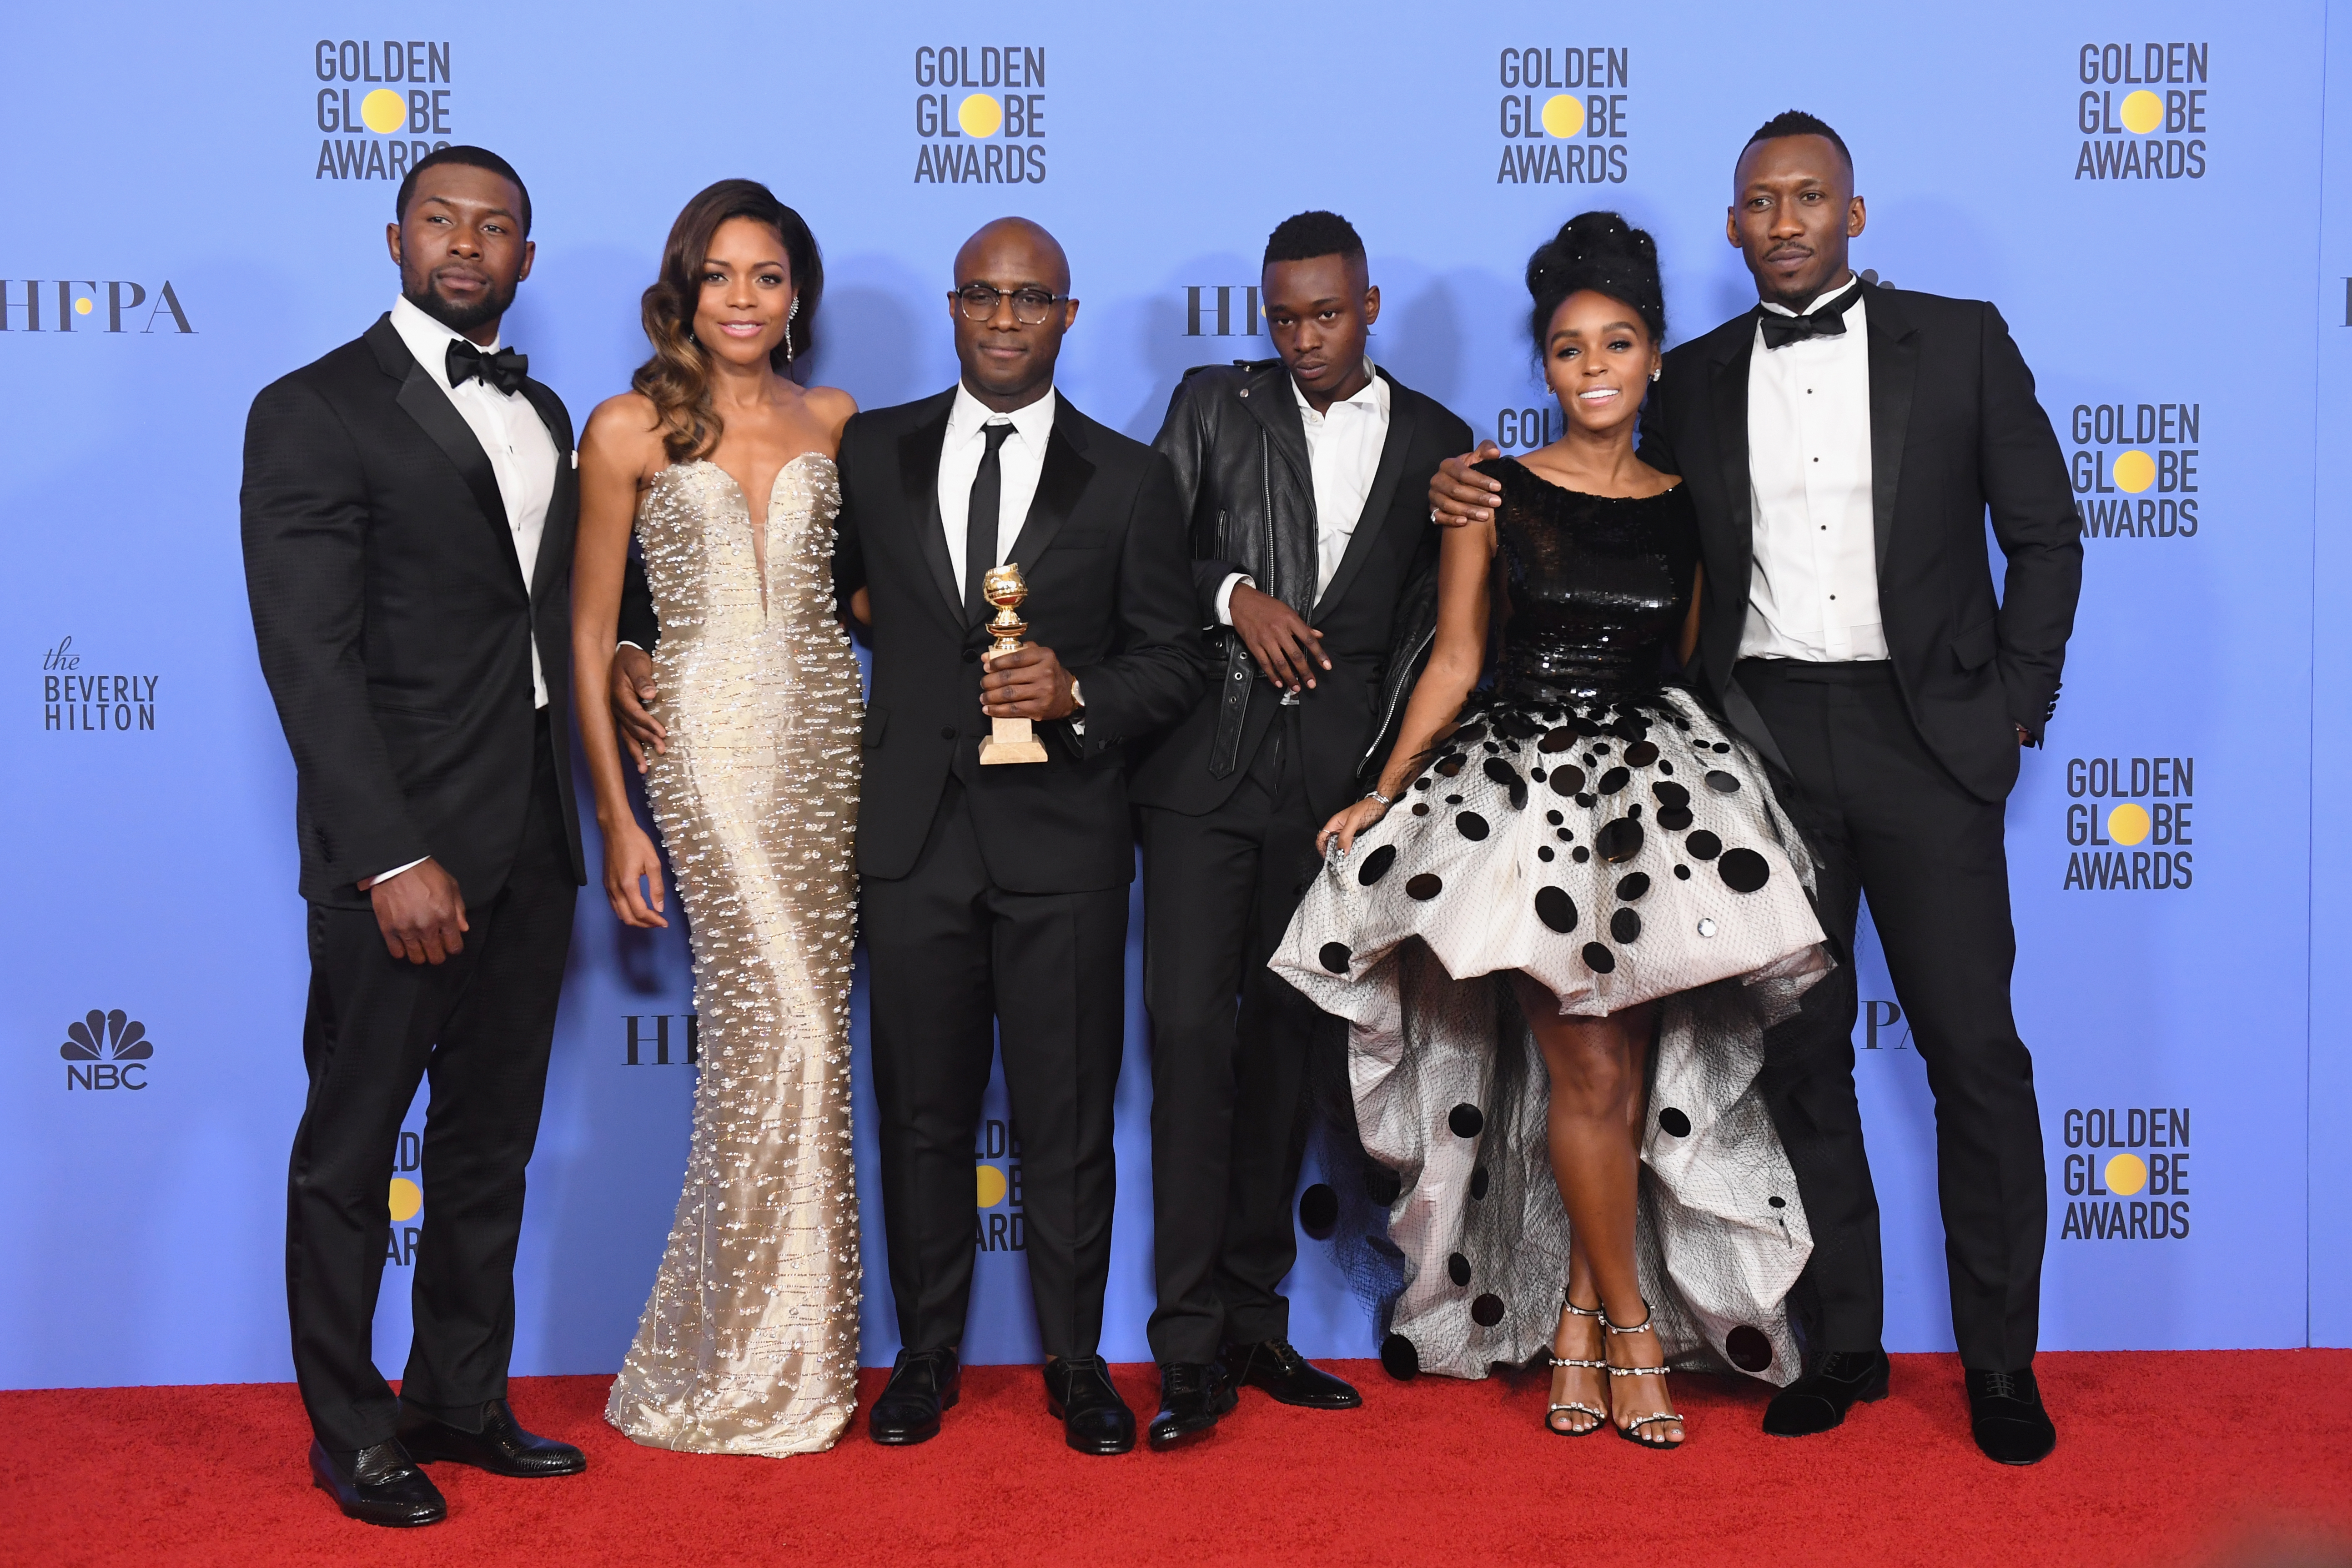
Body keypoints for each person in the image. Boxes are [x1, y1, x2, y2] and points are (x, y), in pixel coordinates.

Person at [1429, 114, 2081, 1465]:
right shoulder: (1697, 371)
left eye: (1807, 198)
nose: (1783, 221)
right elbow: (1596, 480)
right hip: (1761, 750)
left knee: (1973, 1053)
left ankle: (2001, 1366)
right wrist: (1455, 482)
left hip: (1931, 744)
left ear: (1853, 210)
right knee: (1803, 1059)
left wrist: (2015, 704)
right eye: (1758, 203)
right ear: (1731, 228)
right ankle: (1845, 1347)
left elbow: (2044, 534)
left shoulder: (1959, 341)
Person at [617, 217, 1201, 1457]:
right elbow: (729, 563)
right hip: (904, 838)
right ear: (951, 307)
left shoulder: (1132, 476)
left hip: (1065, 843)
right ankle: (924, 1360)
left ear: (1067, 316)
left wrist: (1078, 690)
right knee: (918, 1114)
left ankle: (1075, 1364)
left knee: (1066, 1123)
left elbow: (1172, 660)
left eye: (1029, 299)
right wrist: (626, 639)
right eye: (982, 296)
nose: (1003, 319)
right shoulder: (869, 447)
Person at [1277, 212, 1831, 1450]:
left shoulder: (1688, 507)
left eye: (1617, 343)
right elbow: (1459, 658)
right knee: (1583, 1067)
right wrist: (1385, 786)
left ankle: (1580, 1319)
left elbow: (1682, 659)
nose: (1592, 366)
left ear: (1650, 362)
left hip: (1645, 803)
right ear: (1545, 367)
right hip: (1518, 804)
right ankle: (1634, 1327)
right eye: (1569, 347)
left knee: (1622, 1073)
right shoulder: (1489, 489)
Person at [240, 145, 588, 1528]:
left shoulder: (547, 410)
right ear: (395, 240)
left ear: (525, 258)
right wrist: (389, 855)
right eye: (441, 221)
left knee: (489, 1150)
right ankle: (351, 1432)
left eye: (494, 227)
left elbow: (542, 625)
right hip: (399, 862)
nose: (467, 244)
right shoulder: (313, 409)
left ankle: (458, 1397)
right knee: (350, 1154)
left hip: (533, 848)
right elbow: (308, 660)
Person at [1127, 211, 1471, 1449]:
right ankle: (1184, 1349)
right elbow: (1143, 550)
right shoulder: (1212, 407)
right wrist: (1234, 597)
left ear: (1368, 307)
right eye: (1283, 317)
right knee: (1185, 1045)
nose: (1304, 338)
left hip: (1333, 802)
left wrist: (1389, 780)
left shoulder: (1434, 442)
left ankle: (1254, 1323)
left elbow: (1443, 634)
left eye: (1326, 315)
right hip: (1196, 782)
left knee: (1286, 1055)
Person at [571, 181, 863, 1456]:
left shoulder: (840, 422)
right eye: (720, 276)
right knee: (782, 1029)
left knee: (797, 1052)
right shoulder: (627, 427)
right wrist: (615, 818)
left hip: (826, 747)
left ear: (796, 298)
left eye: (767, 277)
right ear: (683, 289)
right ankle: (747, 1358)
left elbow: (869, 597)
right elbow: (588, 633)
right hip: (703, 755)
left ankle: (780, 1349)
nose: (742, 300)